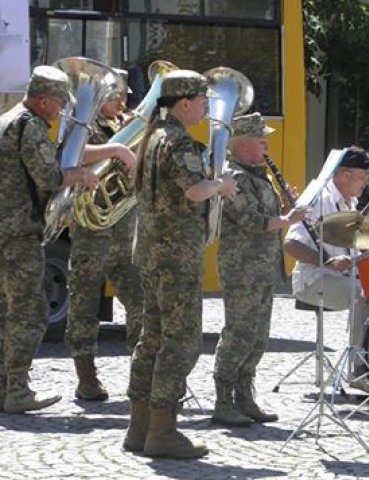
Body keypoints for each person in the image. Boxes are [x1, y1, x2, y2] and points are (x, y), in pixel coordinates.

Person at [126, 69, 238, 458]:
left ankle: (139, 428)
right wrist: (221, 184)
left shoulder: (152, 137)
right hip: (176, 257)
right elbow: (194, 190)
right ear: (184, 103)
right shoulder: (178, 141)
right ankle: (163, 432)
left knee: (151, 338)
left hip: (153, 254)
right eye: (203, 101)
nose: (208, 106)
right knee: (182, 342)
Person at [0, 65, 105, 413]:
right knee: (29, 312)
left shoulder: (8, 119)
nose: (62, 110)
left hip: (7, 229)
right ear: (43, 100)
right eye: (59, 103)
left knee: (6, 310)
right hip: (17, 233)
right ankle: (17, 390)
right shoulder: (28, 126)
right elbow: (47, 177)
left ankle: (5, 387)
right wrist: (79, 175)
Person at [212, 112, 309, 427]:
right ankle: (223, 401)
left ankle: (244, 396)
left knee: (258, 337)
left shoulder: (257, 174)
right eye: (260, 138)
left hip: (263, 268)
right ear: (242, 144)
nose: (267, 143)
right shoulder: (235, 177)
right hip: (242, 269)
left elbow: (267, 216)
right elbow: (251, 221)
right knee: (238, 334)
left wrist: (283, 208)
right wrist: (288, 220)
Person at [65, 68, 143, 402]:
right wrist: (115, 149)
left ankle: (142, 377)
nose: (122, 102)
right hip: (91, 231)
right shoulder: (85, 124)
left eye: (124, 96)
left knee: (141, 304)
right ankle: (87, 379)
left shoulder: (127, 125)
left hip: (125, 235)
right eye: (115, 96)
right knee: (84, 305)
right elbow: (72, 156)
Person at [283, 147, 369, 389]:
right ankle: (357, 369)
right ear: (344, 175)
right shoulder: (318, 199)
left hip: (343, 276)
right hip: (313, 279)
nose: (367, 181)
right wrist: (327, 262)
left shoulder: (351, 201)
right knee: (365, 294)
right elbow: (291, 244)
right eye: (363, 176)